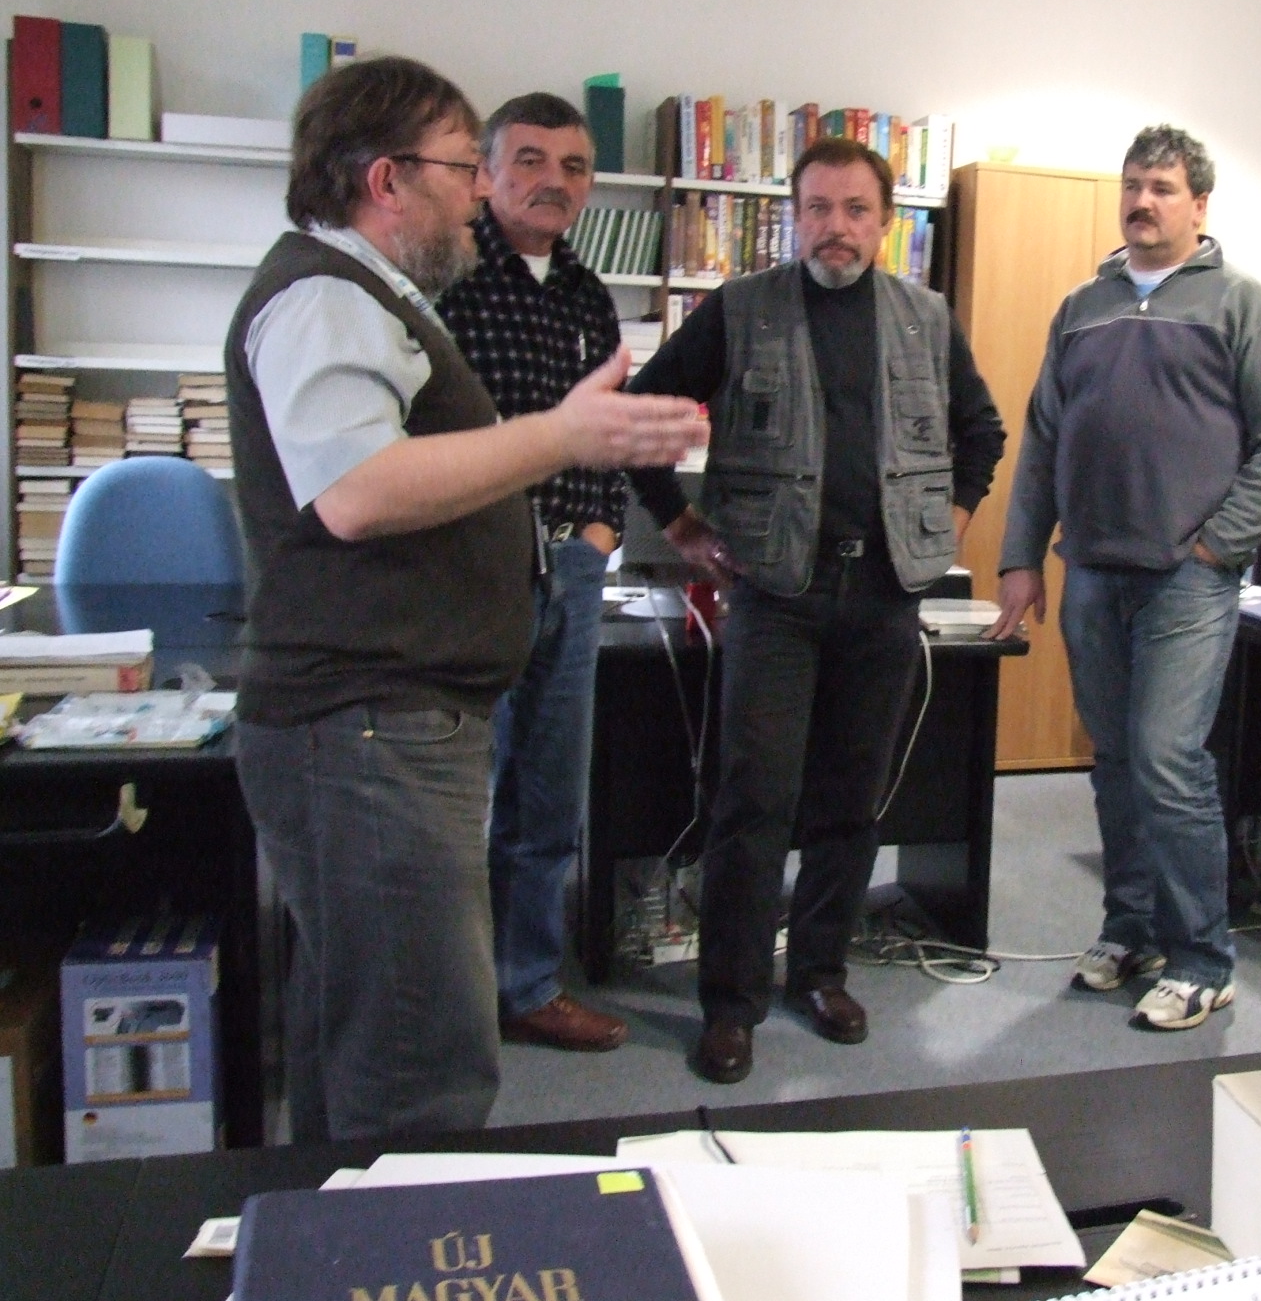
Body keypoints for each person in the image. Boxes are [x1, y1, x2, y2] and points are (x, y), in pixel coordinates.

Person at [227, 56, 707, 1141]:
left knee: (367, 1025)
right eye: (462, 167)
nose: (477, 192)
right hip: (366, 728)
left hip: (385, 721)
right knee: (421, 1056)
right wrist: (563, 436)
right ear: (387, 179)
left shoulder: (367, 295)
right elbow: (358, 493)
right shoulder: (322, 297)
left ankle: (339, 1220)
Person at [627, 136, 1004, 1085]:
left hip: (883, 596)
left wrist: (948, 524)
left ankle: (822, 973)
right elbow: (641, 413)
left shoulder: (925, 318)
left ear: (885, 222)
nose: (836, 227)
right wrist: (678, 524)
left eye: (855, 209)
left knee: (851, 799)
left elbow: (982, 431)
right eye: (818, 209)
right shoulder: (740, 310)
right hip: (774, 595)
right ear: (795, 217)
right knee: (754, 800)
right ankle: (732, 1003)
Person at [990, 125, 1261, 1032]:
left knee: (1170, 762)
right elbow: (1043, 439)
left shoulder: (1243, 307)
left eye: (1163, 188)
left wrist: (1219, 545)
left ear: (1199, 205)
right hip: (1092, 570)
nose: (1142, 201)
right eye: (1133, 185)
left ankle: (1203, 959)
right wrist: (1020, 557)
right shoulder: (1081, 308)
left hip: (1186, 581)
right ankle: (1130, 928)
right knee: (1118, 762)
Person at [436, 93, 630, 1053]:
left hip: (573, 573)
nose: (554, 181)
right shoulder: (447, 280)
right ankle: (453, 991)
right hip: (471, 571)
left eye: (574, 167)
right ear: (485, 171)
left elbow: (611, 429)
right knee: (456, 795)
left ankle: (528, 985)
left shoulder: (589, 295)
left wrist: (602, 529)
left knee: (549, 793)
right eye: (530, 160)